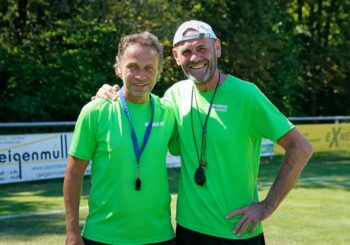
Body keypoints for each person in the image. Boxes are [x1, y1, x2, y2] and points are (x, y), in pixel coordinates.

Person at [95, 20, 313, 244]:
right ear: (176, 56)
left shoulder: (246, 95)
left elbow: (301, 148)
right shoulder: (173, 95)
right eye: (186, 51)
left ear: (217, 48)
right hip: (189, 231)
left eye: (201, 48)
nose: (195, 57)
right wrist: (111, 92)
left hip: (237, 231)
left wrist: (266, 207)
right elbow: (138, 103)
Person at [63, 32, 178, 245]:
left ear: (159, 71)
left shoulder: (169, 113)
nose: (140, 75)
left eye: (148, 68)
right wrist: (72, 232)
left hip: (159, 236)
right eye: (133, 66)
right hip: (103, 236)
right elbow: (74, 172)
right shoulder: (95, 111)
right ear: (119, 67)